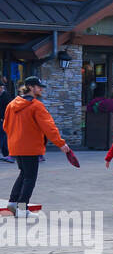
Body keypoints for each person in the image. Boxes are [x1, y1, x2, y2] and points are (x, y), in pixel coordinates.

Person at [2, 76, 75, 216]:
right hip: (30, 147)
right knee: (30, 177)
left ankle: (12, 203)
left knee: (24, 173)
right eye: (38, 86)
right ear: (30, 87)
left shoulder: (12, 105)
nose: (41, 89)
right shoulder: (36, 105)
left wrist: (16, 137)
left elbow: (5, 126)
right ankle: (22, 209)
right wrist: (61, 143)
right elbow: (49, 127)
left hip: (15, 146)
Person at [0, 81, 13, 163]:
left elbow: (9, 109)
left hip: (4, 120)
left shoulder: (6, 96)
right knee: (3, 137)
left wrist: (4, 118)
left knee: (3, 137)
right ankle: (7, 154)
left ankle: (8, 154)